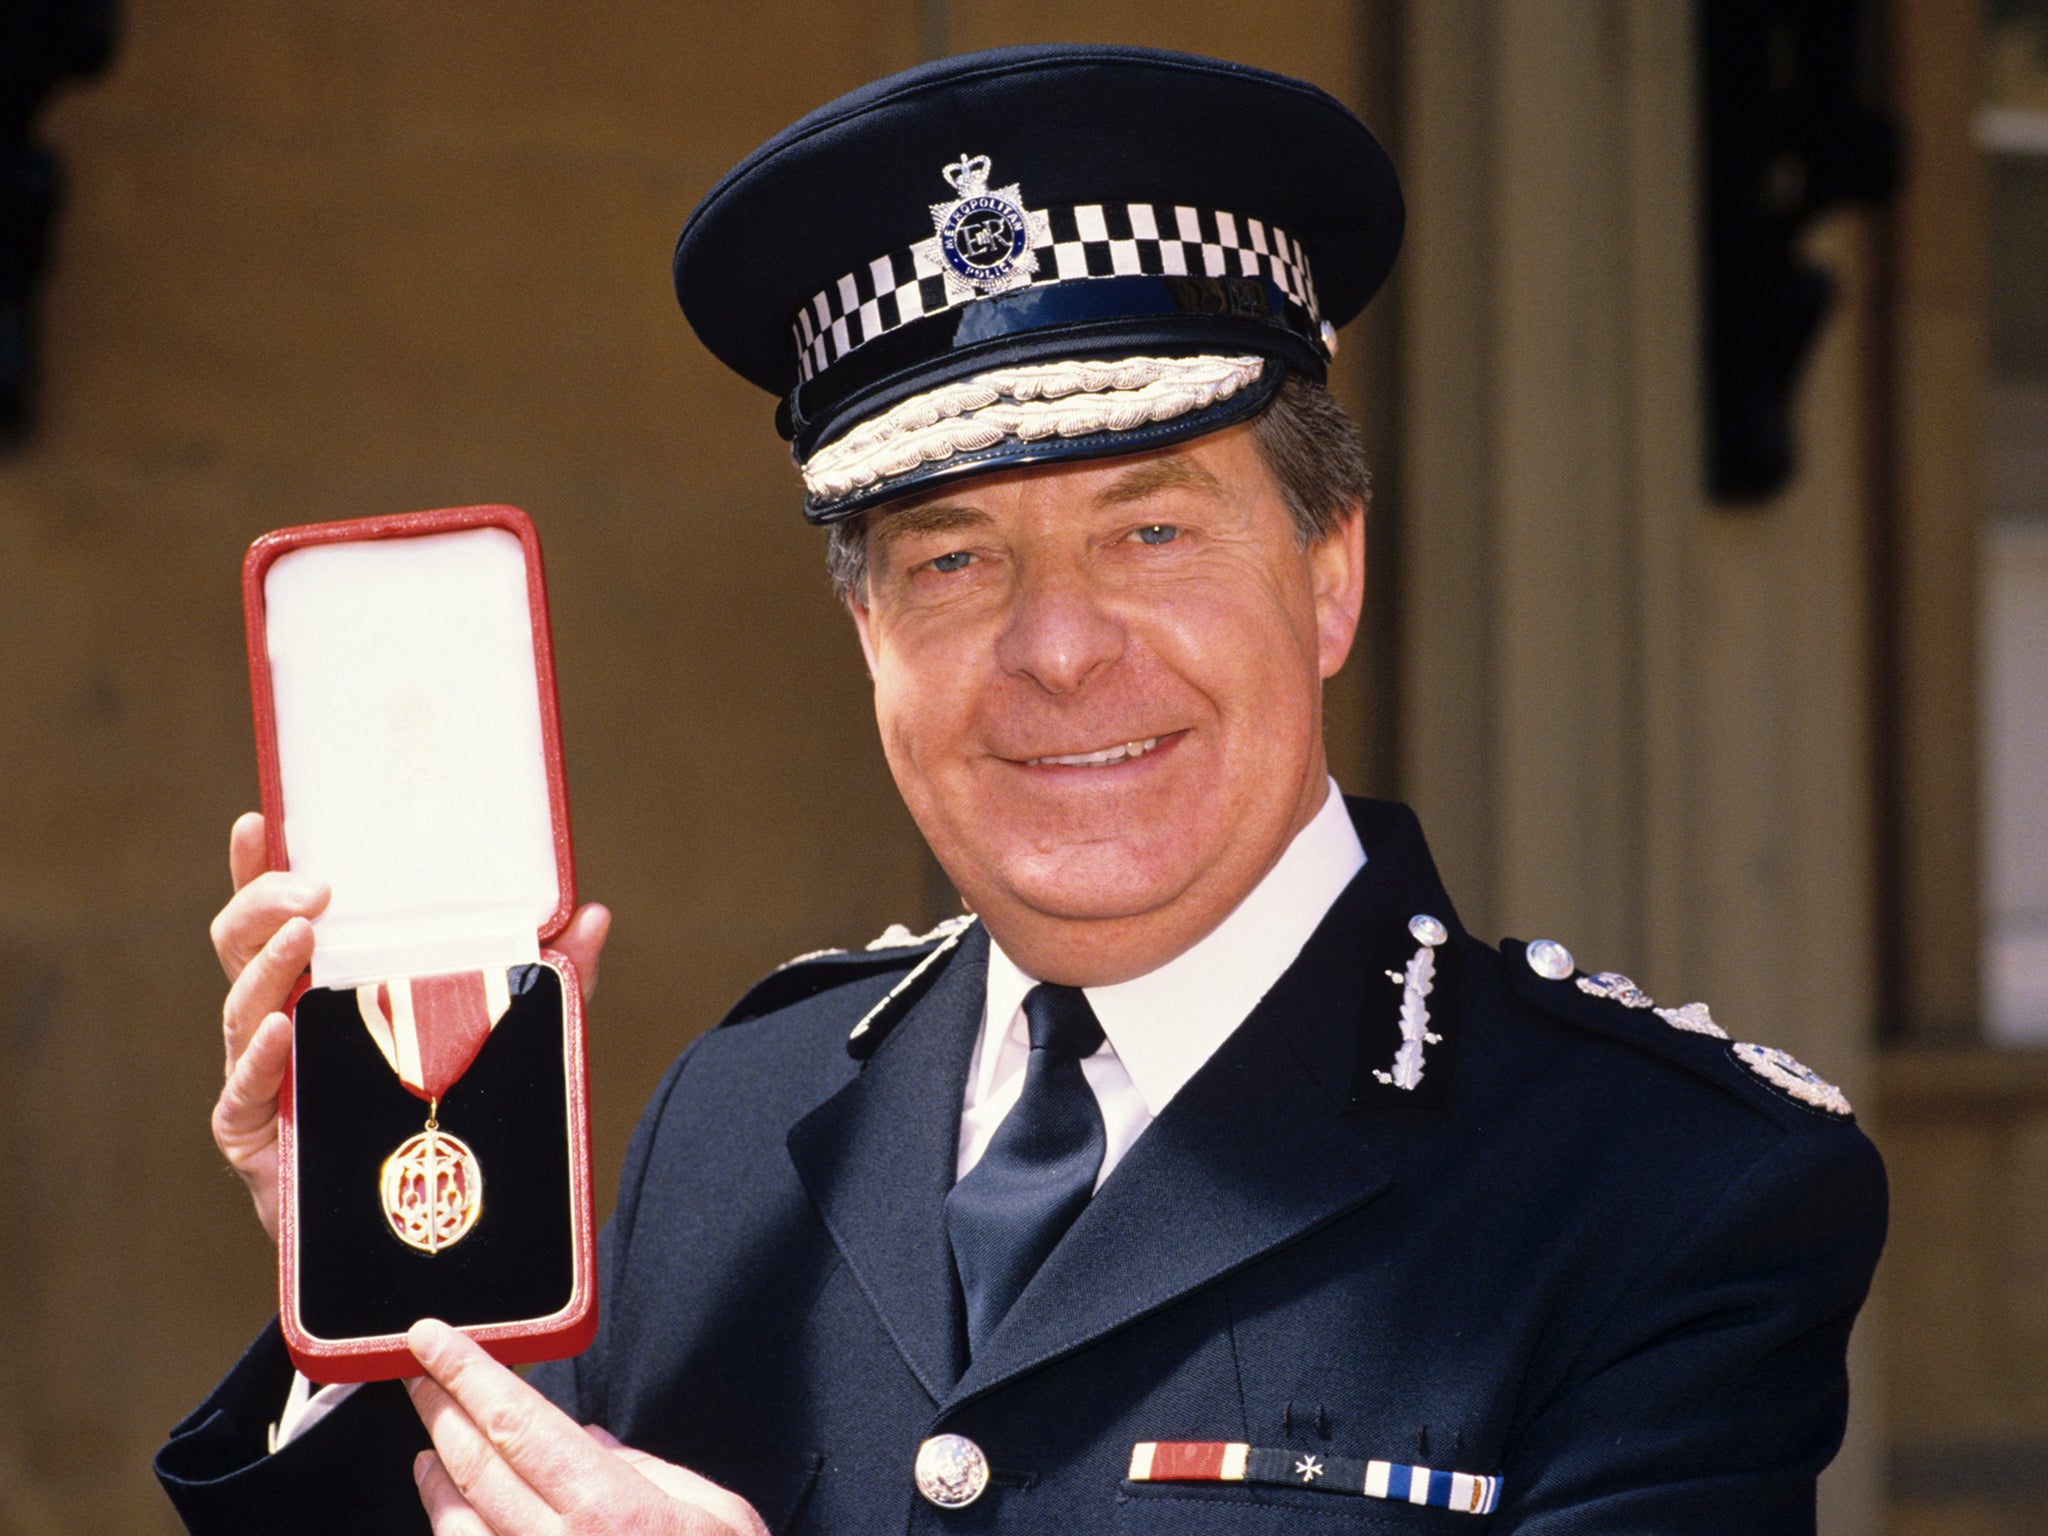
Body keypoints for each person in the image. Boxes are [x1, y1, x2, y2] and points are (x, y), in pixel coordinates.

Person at [157, 43, 1886, 1535]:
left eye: (1151, 529)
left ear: (1332, 571)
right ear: (865, 639)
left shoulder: (1665, 1195)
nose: (1058, 650)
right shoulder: (734, 1130)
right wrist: (384, 1285)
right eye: (953, 561)